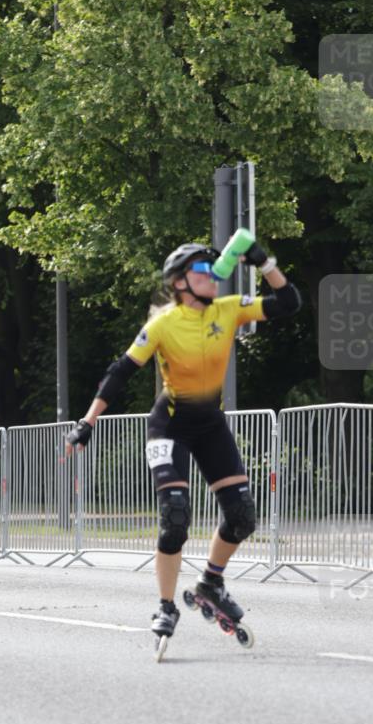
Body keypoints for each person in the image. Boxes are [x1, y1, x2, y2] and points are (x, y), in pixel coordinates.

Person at [65, 239, 302, 642]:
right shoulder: (163, 323)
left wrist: (264, 262)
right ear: (179, 282)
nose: (212, 276)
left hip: (210, 426)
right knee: (175, 517)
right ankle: (166, 605)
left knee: (242, 515)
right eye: (202, 271)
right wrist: (87, 422)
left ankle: (211, 582)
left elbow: (288, 302)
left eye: (213, 269)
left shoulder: (229, 309)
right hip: (169, 426)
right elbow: (120, 372)